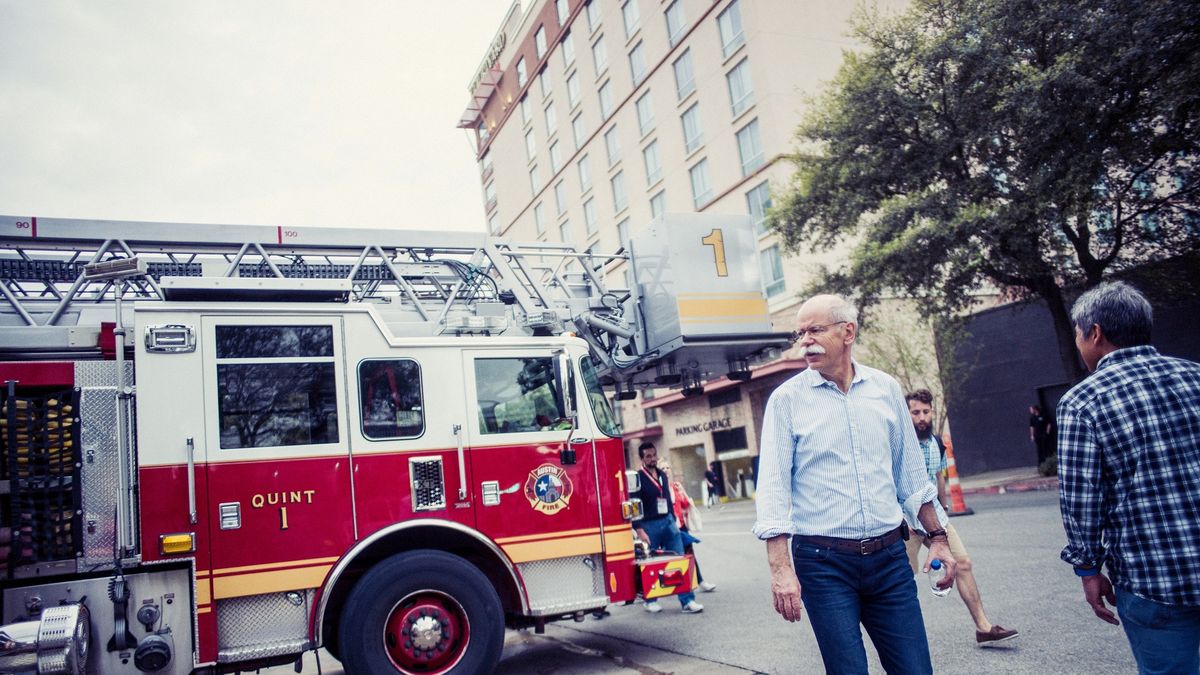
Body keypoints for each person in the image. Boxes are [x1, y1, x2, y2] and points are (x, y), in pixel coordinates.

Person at [753, 294, 956, 674]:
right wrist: (781, 569)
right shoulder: (786, 401)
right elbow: (773, 488)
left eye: (815, 330)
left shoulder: (885, 389)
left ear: (848, 332)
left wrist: (938, 538)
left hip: (890, 561)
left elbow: (910, 474)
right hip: (824, 564)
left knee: (915, 670)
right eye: (801, 333)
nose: (805, 341)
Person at [1057, 281, 1200, 674]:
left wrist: (1088, 569)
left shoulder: (1083, 401)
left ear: (1095, 333)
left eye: (1077, 332)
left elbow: (1082, 499)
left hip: (1153, 578)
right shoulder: (1195, 376)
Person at [905, 388, 1019, 645]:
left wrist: (943, 512)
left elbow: (938, 478)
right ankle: (905, 642)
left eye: (925, 411)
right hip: (907, 521)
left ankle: (984, 627)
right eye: (915, 412)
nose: (922, 417)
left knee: (962, 563)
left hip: (935, 518)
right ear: (906, 414)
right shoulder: (899, 444)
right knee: (902, 580)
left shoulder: (936, 443)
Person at [632, 441, 704, 614]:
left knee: (679, 559)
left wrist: (673, 519)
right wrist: (639, 529)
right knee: (650, 564)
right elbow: (634, 505)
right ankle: (650, 600)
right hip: (649, 525)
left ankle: (687, 601)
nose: (652, 459)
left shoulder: (663, 475)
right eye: (648, 456)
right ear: (642, 459)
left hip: (669, 522)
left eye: (653, 455)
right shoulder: (638, 478)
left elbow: (668, 501)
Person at [662, 462, 716, 593]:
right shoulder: (659, 488)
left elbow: (685, 505)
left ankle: (701, 581)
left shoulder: (675, 486)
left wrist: (681, 493)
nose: (666, 470)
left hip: (681, 526)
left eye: (667, 467)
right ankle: (668, 587)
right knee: (671, 557)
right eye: (662, 468)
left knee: (689, 554)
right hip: (668, 528)